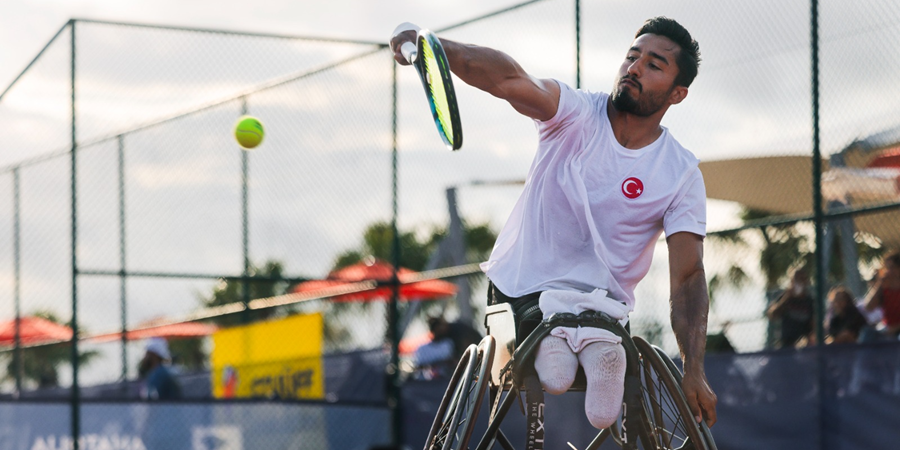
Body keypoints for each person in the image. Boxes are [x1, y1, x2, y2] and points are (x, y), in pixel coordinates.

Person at [391, 16, 717, 429]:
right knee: (556, 373)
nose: (634, 68)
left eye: (654, 65)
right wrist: (434, 48)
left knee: (607, 392)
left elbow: (688, 278)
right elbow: (509, 80)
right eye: (632, 57)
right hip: (522, 290)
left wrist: (694, 369)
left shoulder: (681, 173)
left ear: (678, 93)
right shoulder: (575, 113)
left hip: (602, 310)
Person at [766, 268, 815, 348]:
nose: (800, 283)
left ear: (807, 282)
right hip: (785, 345)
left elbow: (814, 325)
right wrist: (786, 298)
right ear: (792, 282)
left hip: (805, 346)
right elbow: (772, 315)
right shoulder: (785, 297)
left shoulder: (810, 301)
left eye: (802, 280)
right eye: (797, 280)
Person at [864, 250, 900, 338]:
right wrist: (880, 284)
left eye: (891, 267)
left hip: (896, 330)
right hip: (887, 327)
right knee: (867, 333)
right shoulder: (884, 288)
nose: (888, 271)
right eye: (886, 268)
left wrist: (893, 329)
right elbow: (869, 307)